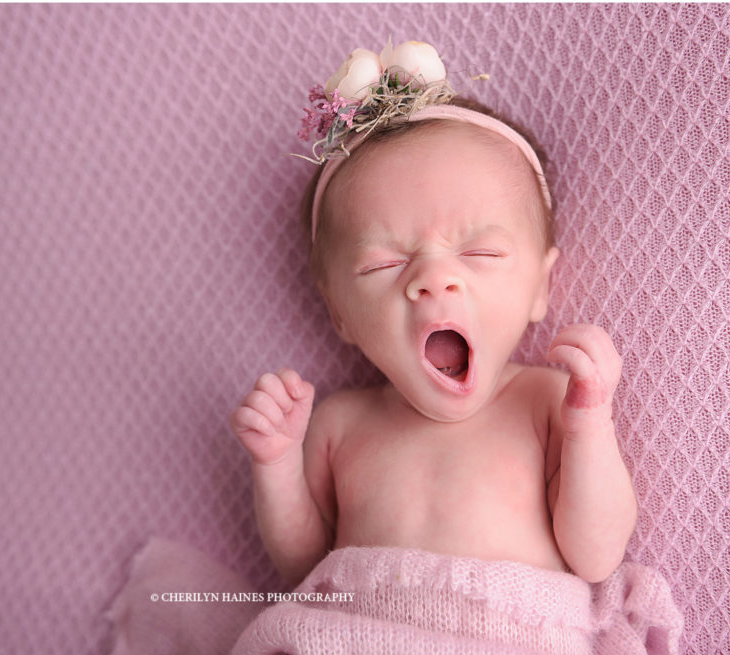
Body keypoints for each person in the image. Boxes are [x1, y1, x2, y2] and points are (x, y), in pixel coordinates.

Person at [230, 40, 637, 589]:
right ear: (340, 315)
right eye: (384, 264)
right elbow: (306, 567)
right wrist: (276, 464)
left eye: (480, 253)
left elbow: (596, 556)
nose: (433, 278)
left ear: (540, 285)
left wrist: (591, 423)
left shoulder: (545, 404)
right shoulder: (338, 426)